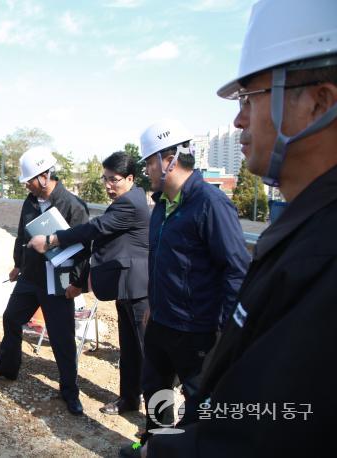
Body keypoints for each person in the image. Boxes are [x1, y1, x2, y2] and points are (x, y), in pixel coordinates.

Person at [142, 1, 337, 456]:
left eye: (251, 97)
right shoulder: (302, 223)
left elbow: (277, 422)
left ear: (320, 102)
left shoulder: (319, 252)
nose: (239, 119)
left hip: (196, 334)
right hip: (166, 324)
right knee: (161, 401)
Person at [120, 120, 250, 457]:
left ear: (170, 159)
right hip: (162, 322)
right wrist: (153, 304)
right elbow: (162, 261)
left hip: (198, 333)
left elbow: (236, 271)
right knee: (157, 391)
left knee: (198, 404)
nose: (147, 169)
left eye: (149, 162)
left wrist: (224, 333)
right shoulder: (163, 205)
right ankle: (156, 446)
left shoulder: (210, 204)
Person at [28, 151, 150, 416]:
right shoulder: (127, 198)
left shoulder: (130, 203)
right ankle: (129, 400)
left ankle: (154, 421)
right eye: (105, 178)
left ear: (129, 178)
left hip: (140, 291)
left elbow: (94, 229)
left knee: (147, 353)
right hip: (125, 287)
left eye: (113, 180)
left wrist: (52, 240)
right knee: (129, 350)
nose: (107, 185)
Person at [0, 146, 89, 415]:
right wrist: (18, 263)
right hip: (31, 277)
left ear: (44, 175)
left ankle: (69, 392)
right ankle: (7, 368)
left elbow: (86, 249)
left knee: (62, 337)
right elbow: (22, 235)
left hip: (59, 281)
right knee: (11, 318)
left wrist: (78, 283)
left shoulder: (73, 206)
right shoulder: (29, 202)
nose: (26, 184)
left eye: (29, 179)